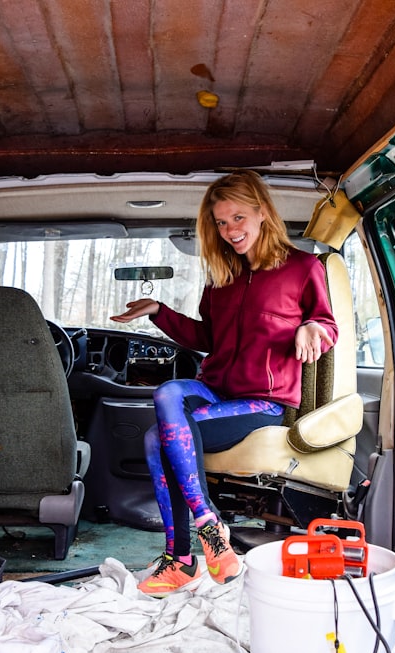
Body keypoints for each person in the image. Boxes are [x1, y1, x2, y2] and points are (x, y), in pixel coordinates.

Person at [111, 170, 338, 597]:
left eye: (237, 218)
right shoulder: (221, 278)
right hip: (214, 390)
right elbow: (207, 339)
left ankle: (182, 557)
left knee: (156, 439)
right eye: (220, 223)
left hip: (263, 402)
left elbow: (327, 325)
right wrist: (159, 311)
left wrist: (310, 326)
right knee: (167, 394)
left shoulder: (302, 268)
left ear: (262, 213)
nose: (230, 231)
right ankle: (208, 528)